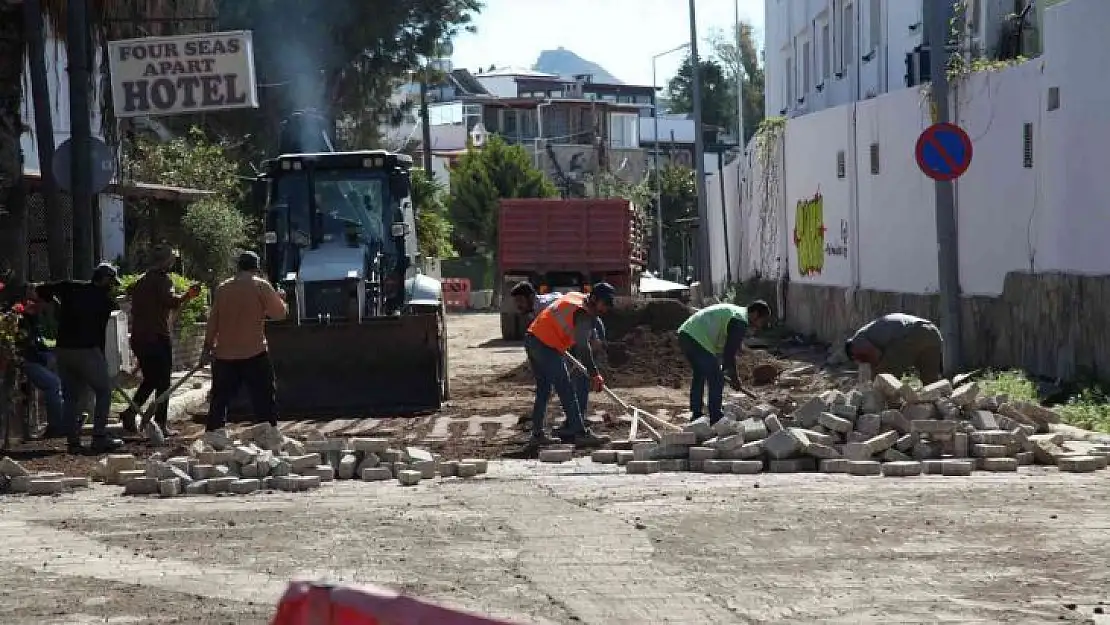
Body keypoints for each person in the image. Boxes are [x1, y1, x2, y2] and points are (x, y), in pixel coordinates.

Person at [202, 251, 288, 451]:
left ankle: (212, 440)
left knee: (219, 399)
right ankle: (268, 437)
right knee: (263, 397)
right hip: (254, 352)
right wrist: (281, 298)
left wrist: (207, 347)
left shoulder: (223, 289)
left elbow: (212, 321)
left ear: (238, 267)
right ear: (256, 267)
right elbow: (280, 314)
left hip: (225, 355)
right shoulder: (260, 286)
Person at [34, 263, 124, 453]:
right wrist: (101, 360)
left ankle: (73, 442)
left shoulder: (71, 287)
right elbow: (100, 335)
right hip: (87, 351)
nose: (112, 287)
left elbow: (40, 290)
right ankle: (99, 437)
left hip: (63, 349)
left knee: (71, 397)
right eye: (112, 282)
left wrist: (60, 308)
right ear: (105, 279)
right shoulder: (105, 302)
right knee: (104, 390)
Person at [120, 244, 202, 438]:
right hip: (156, 337)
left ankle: (130, 412)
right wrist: (188, 295)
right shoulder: (163, 280)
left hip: (140, 338)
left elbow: (130, 292)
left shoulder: (141, 281)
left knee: (150, 379)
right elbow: (171, 301)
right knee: (163, 381)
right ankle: (160, 422)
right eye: (172, 259)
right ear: (167, 261)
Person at [523, 283, 615, 448]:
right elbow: (582, 345)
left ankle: (537, 435)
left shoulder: (575, 297)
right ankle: (580, 433)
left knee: (544, 389)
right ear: (594, 299)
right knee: (566, 389)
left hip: (533, 338)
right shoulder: (583, 313)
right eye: (604, 303)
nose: (606, 308)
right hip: (546, 345)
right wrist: (594, 373)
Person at [677, 300, 772, 425]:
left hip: (686, 334)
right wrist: (735, 378)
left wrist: (723, 368)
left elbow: (723, 352)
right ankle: (716, 418)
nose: (760, 326)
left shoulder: (734, 312)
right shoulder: (740, 320)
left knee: (700, 374)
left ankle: (697, 414)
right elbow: (730, 353)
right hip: (697, 338)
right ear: (755, 314)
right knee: (716, 378)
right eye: (762, 321)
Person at [845, 313, 944, 384]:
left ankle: (885, 409)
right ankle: (938, 408)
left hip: (912, 334)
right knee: (931, 384)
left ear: (852, 352)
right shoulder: (871, 331)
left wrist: (873, 374)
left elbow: (876, 355)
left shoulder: (857, 341)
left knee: (884, 377)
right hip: (932, 332)